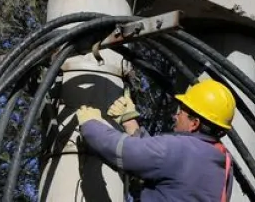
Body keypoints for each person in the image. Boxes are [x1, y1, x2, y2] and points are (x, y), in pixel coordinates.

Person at [76, 79, 237, 202]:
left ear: (194, 123)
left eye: (181, 111)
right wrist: (130, 121)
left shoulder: (180, 148)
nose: (175, 116)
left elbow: (125, 151)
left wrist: (90, 124)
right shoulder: (223, 161)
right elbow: (164, 164)